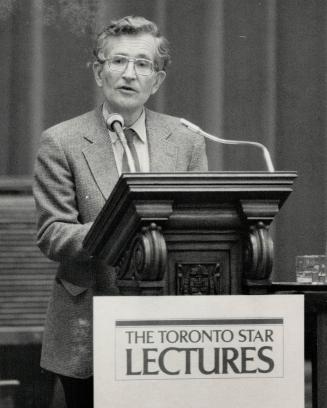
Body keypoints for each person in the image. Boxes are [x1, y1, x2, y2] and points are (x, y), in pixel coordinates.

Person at [33, 15, 208, 408]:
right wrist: (120, 227)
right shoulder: (60, 142)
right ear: (99, 72)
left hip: (169, 329)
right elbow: (53, 233)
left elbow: (201, 225)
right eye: (118, 62)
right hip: (90, 324)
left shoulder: (186, 141)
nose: (129, 74)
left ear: (157, 80)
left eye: (142, 64)